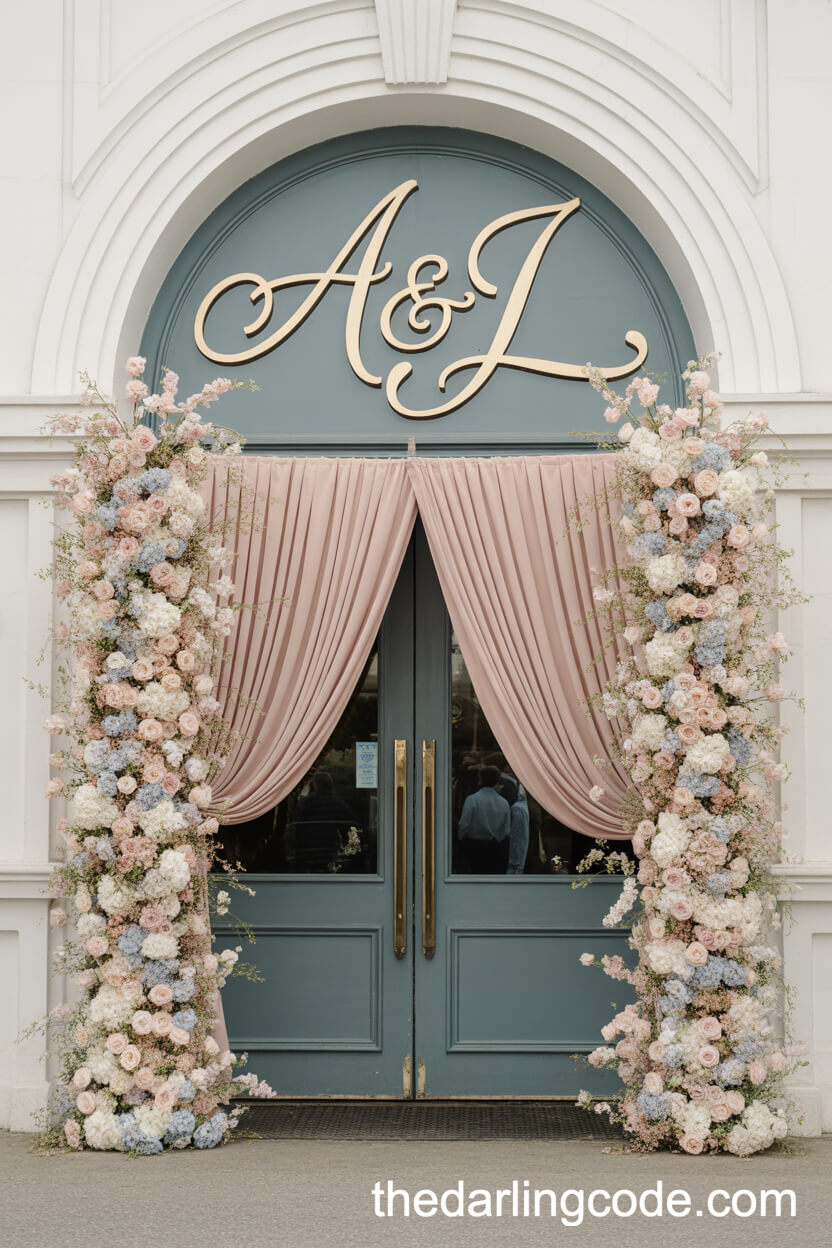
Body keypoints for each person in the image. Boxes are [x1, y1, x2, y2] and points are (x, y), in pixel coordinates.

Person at [457, 765, 510, 873]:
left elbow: (464, 825)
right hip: (495, 849)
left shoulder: (472, 800)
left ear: (480, 779)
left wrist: (461, 841)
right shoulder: (504, 803)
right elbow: (506, 831)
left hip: (474, 848)